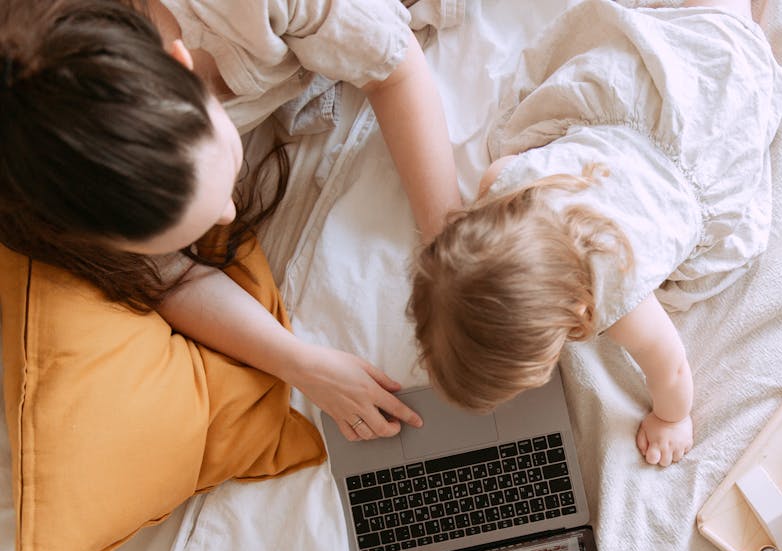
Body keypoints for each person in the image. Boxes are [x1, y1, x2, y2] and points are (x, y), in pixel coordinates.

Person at [0, 0, 463, 441]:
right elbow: (169, 278)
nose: (231, 213)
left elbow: (392, 67)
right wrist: (302, 364)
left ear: (181, 63)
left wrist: (445, 249)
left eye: (223, 181)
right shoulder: (59, 186)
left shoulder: (246, 12)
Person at [408, 0, 782, 466]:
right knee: (709, 26)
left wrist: (673, 419)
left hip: (702, 149)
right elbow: (501, 174)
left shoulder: (620, 295)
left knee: (734, 43)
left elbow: (671, 366)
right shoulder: (507, 184)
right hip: (643, 107)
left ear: (574, 311)